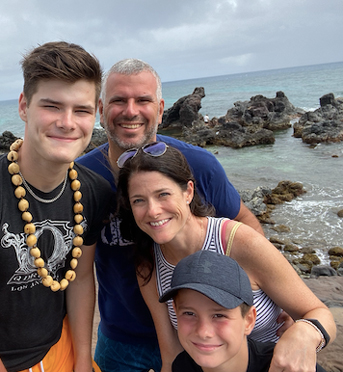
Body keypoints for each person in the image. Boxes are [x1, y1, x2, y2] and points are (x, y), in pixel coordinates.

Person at [76, 58, 266, 372]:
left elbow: (243, 224)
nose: (131, 110)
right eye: (118, 100)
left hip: (201, 334)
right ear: (100, 109)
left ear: (161, 109)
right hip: (120, 338)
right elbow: (80, 275)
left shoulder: (199, 165)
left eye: (143, 100)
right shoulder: (83, 179)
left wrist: (259, 299)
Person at [0, 41, 112, 372]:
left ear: (96, 113)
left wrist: (82, 357)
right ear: (24, 106)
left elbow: (79, 278)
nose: (67, 123)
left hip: (60, 347)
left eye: (81, 110)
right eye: (52, 106)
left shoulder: (93, 191)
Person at [116, 143, 335, 372]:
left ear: (188, 192)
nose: (153, 211)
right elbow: (172, 353)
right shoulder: (148, 264)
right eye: (139, 200)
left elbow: (318, 313)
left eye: (163, 194)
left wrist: (306, 333)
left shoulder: (238, 242)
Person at [161, 249, 326, 372]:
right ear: (175, 311)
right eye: (189, 313)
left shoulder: (288, 367)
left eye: (219, 315)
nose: (203, 332)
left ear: (248, 320)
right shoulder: (182, 365)